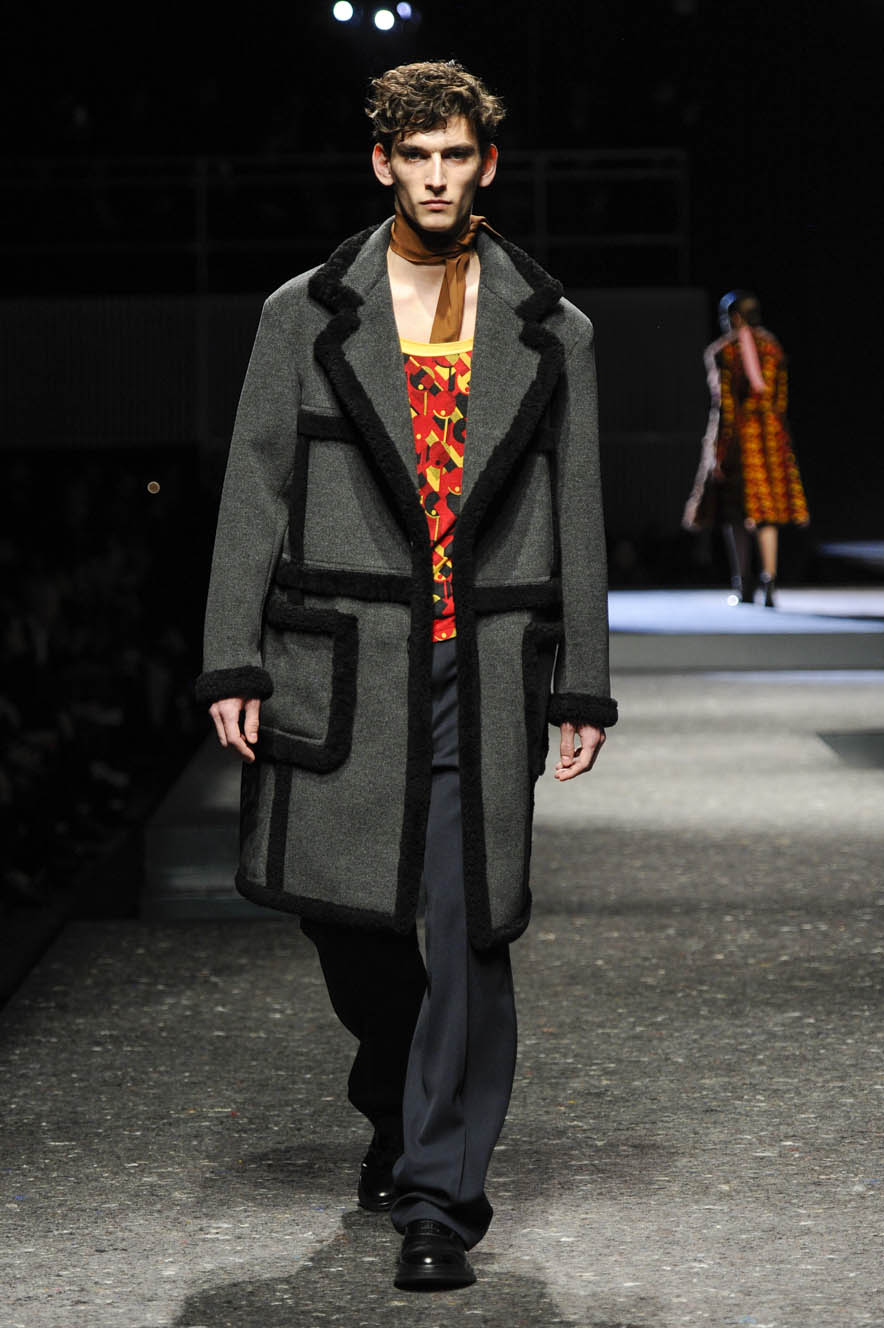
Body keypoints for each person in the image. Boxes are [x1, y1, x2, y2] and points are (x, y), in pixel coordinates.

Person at [195, 60, 617, 1291]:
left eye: (456, 155)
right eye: (416, 156)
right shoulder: (305, 312)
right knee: (347, 913)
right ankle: (394, 1086)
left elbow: (578, 504)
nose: (437, 178)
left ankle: (441, 1199)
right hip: (342, 655)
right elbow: (255, 483)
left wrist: (582, 678)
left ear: (486, 164)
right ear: (381, 163)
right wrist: (231, 654)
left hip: (481, 662)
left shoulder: (553, 327)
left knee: (466, 923)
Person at [683, 290, 809, 606]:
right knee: (767, 512)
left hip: (741, 443)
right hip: (771, 439)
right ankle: (770, 579)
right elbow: (780, 401)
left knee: (735, 512)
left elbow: (724, 406)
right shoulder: (772, 348)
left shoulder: (724, 351)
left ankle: (744, 583)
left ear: (735, 317)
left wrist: (719, 451)